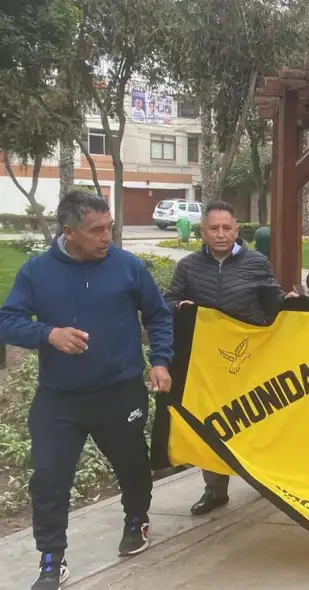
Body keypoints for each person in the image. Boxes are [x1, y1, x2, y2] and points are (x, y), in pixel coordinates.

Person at [0, 191, 174, 589]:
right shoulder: (37, 272)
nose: (106, 236)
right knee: (48, 478)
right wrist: (48, 334)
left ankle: (136, 521)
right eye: (96, 230)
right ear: (70, 232)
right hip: (60, 398)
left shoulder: (128, 266)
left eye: (108, 227)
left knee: (132, 467)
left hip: (119, 392)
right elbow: (7, 320)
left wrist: (161, 360)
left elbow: (159, 315)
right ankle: (51, 559)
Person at [163, 201, 296, 516]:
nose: (221, 234)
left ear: (237, 230)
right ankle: (215, 490)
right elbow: (166, 302)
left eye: (227, 228)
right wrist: (178, 306)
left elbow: (272, 301)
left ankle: (272, 484)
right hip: (208, 364)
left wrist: (289, 304)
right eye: (214, 228)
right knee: (213, 425)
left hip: (250, 361)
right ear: (203, 232)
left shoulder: (256, 263)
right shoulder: (188, 267)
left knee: (258, 424)